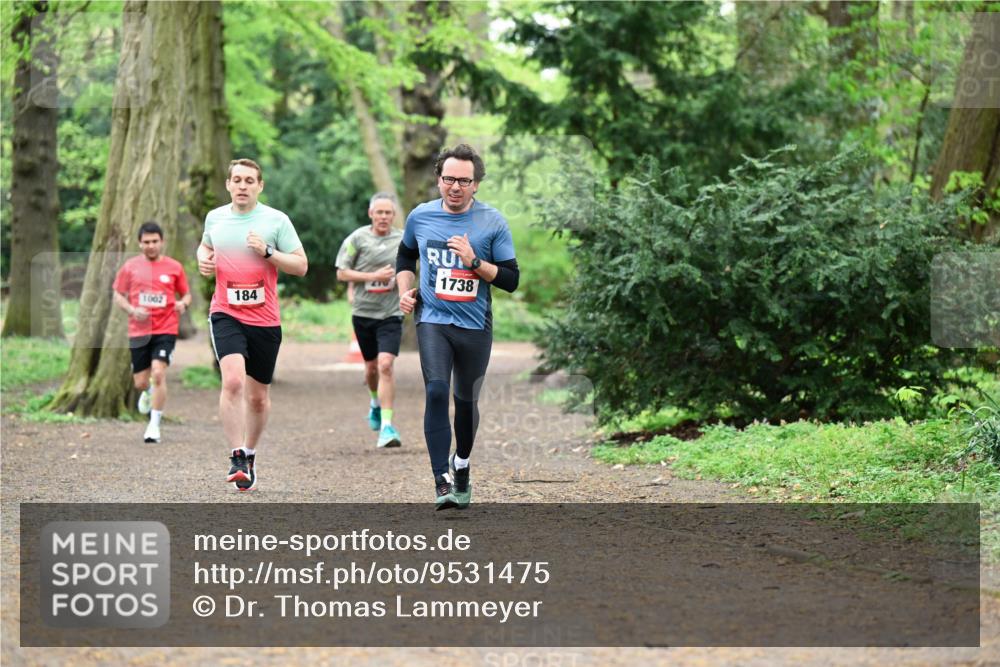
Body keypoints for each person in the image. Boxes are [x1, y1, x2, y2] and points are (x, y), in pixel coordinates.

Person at [396, 144, 519, 510]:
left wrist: (474, 261)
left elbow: (511, 279)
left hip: (474, 325)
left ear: (476, 184)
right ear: (438, 179)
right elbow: (405, 255)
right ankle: (441, 480)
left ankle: (461, 464)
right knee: (436, 391)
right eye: (449, 179)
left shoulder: (492, 222)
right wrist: (405, 291)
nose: (455, 187)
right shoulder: (420, 216)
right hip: (433, 320)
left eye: (464, 181)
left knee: (465, 401)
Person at [197, 158, 308, 492]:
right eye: (237, 180)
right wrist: (202, 257)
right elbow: (205, 244)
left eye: (249, 180)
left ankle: (251, 452)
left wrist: (269, 251)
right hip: (226, 313)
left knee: (258, 398)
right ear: (228, 184)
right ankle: (236, 456)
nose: (242, 186)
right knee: (232, 382)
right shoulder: (215, 218)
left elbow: (301, 266)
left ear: (260, 186)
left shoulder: (276, 220)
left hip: (264, 319)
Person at [336, 192, 405, 448]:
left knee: (386, 365)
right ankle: (375, 403)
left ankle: (387, 427)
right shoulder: (357, 239)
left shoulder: (403, 239)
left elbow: (416, 266)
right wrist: (371, 276)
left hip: (391, 313)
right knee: (372, 368)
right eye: (380, 212)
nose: (384, 217)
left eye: (388, 212)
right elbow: (342, 273)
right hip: (364, 313)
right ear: (371, 214)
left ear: (393, 215)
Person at [113, 221, 192, 444]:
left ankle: (154, 426)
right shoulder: (130, 267)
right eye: (146, 242)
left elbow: (186, 295)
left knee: (158, 373)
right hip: (139, 330)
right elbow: (117, 294)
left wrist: (182, 305)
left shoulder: (174, 267)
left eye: (155, 241)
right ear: (139, 243)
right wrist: (131, 309)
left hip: (166, 328)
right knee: (139, 381)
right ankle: (146, 391)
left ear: (162, 242)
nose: (151, 246)